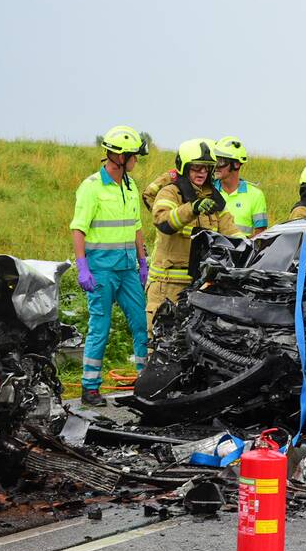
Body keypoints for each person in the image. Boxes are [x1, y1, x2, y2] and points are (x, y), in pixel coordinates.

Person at [69, 125, 151, 406]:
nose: (136, 161)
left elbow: (137, 227)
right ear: (119, 156)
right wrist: (83, 267)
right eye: (134, 156)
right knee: (100, 328)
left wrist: (143, 262)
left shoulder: (130, 185)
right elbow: (78, 229)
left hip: (128, 269)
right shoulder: (91, 187)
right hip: (101, 270)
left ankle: (145, 381)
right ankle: (90, 386)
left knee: (141, 324)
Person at [146, 138, 239, 330]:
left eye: (206, 168)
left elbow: (234, 236)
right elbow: (164, 222)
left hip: (199, 287)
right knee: (161, 345)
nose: (202, 173)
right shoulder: (171, 193)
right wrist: (192, 209)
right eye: (197, 167)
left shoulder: (212, 200)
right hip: (167, 286)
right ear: (185, 167)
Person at [212, 136, 268, 236]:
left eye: (221, 161)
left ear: (236, 164)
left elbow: (260, 234)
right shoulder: (209, 191)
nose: (216, 166)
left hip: (242, 250)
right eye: (214, 161)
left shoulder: (256, 195)